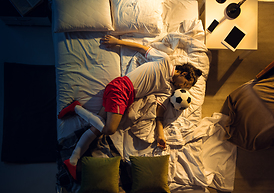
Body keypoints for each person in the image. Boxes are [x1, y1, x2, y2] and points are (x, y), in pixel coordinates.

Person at [59, 35, 202, 180]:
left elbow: (159, 115)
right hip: (122, 88)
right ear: (183, 74)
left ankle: (72, 161)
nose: (181, 87)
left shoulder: (167, 91)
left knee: (96, 129)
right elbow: (141, 48)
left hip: (126, 97)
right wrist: (117, 42)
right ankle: (77, 109)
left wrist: (160, 135)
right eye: (185, 84)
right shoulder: (164, 61)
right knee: (110, 129)